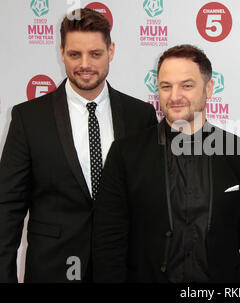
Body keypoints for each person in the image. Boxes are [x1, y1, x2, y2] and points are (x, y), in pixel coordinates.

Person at [0, 8, 157, 283]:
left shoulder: (140, 116)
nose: (85, 64)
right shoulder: (28, 118)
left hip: (122, 269)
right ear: (61, 52)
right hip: (52, 269)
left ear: (111, 50)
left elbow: (150, 202)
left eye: (95, 54)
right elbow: (7, 209)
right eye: (75, 54)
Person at [92, 44, 240, 283]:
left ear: (209, 88)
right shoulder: (126, 154)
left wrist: (214, 245)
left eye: (187, 85)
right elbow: (108, 239)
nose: (175, 96)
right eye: (166, 86)